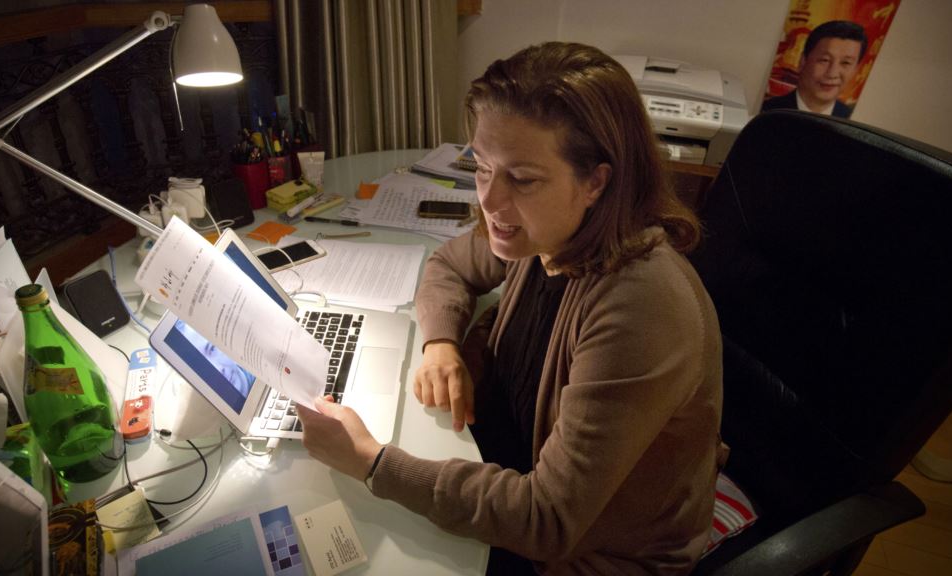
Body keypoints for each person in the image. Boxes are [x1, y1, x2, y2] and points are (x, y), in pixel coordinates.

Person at [296, 42, 724, 575]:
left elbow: (546, 521)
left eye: (522, 179)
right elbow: (448, 267)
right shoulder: (543, 231)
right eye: (480, 167)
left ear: (595, 182)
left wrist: (372, 462)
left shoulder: (642, 308)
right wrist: (442, 344)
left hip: (593, 554)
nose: (490, 202)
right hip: (504, 462)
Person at [762, 20, 868, 118]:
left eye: (846, 63)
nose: (832, 73)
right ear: (803, 61)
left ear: (855, 70)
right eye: (824, 60)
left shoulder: (853, 121)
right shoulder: (767, 113)